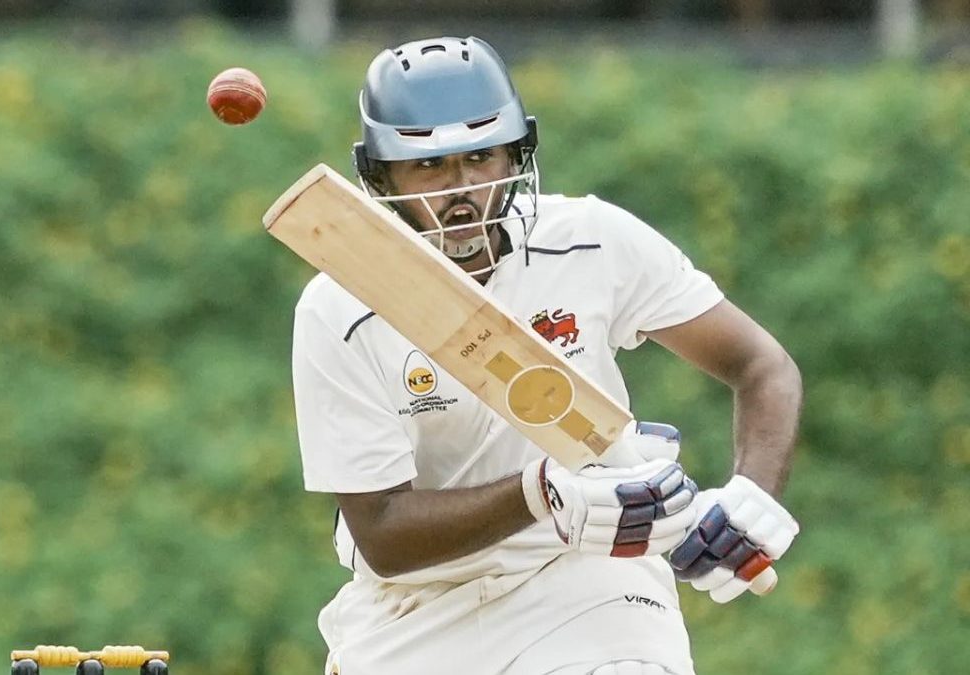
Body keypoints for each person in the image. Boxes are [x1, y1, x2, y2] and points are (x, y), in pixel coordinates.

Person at [289, 36, 802, 675]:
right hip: (414, 607)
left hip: (588, 579)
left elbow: (760, 365)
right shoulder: (338, 310)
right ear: (379, 174)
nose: (462, 190)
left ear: (517, 151)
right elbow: (385, 533)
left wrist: (754, 494)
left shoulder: (589, 240)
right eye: (430, 168)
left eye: (481, 158)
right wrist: (545, 491)